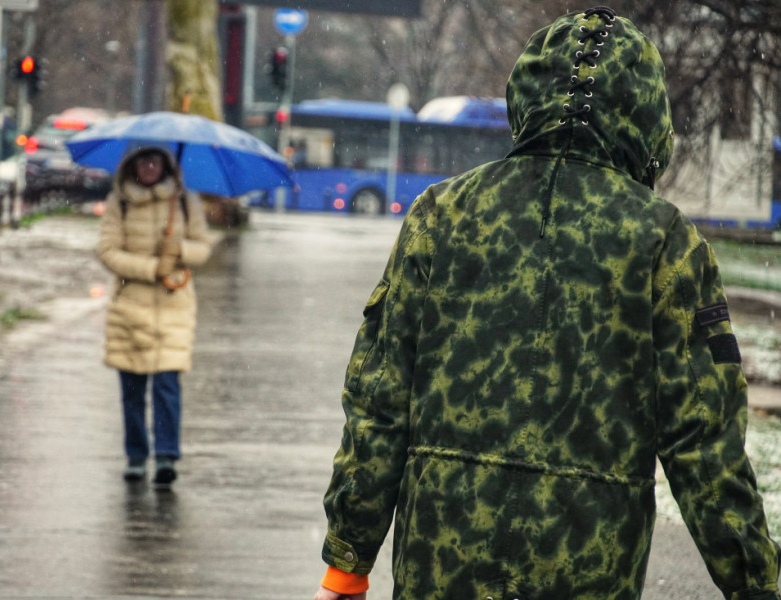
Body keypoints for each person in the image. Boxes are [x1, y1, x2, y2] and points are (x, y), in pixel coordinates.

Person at [315, 7, 780, 600]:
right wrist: (753, 584)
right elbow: (705, 442)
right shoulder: (664, 241)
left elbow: (380, 401)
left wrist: (348, 563)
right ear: (646, 115)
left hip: (443, 559)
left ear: (525, 96)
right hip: (589, 565)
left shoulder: (443, 216)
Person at [97, 145, 213, 486]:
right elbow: (107, 251)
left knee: (166, 385)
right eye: (143, 160)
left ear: (165, 165)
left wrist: (179, 251)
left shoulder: (185, 202)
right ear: (133, 164)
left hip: (173, 304)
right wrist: (150, 267)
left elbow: (203, 247)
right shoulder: (119, 202)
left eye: (156, 160)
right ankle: (136, 455)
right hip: (129, 306)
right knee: (132, 388)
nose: (149, 166)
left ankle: (166, 456)